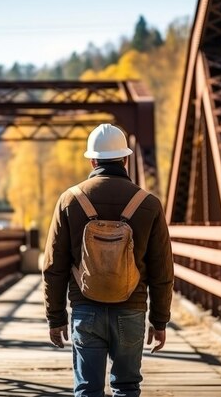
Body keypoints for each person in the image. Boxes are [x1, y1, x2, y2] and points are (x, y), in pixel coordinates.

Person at [42, 123, 174, 397]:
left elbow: (54, 267)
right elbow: (162, 271)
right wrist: (159, 321)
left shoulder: (70, 200)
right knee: (126, 387)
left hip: (85, 309)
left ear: (92, 159)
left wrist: (55, 317)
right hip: (132, 310)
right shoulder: (148, 203)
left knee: (87, 390)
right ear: (126, 159)